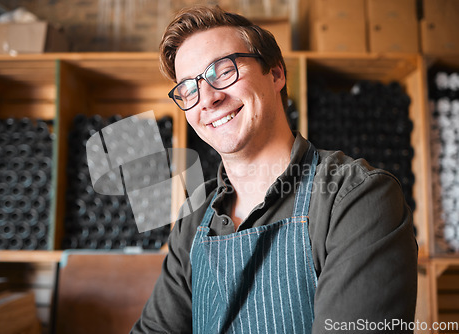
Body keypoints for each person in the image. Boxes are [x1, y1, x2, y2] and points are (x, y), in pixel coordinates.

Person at [131, 5, 418, 334]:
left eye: (223, 71)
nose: (207, 99)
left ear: (276, 74)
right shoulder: (194, 218)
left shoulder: (356, 197)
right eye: (188, 89)